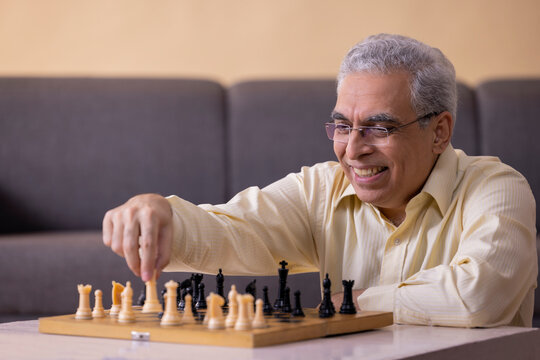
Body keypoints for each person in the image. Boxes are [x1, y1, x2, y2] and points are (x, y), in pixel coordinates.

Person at [102, 34, 537, 327]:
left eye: (379, 128)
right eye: (343, 126)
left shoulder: (498, 188)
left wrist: (357, 302)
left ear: (439, 131)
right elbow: (233, 230)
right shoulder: (320, 190)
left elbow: (479, 296)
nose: (352, 150)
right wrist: (161, 214)